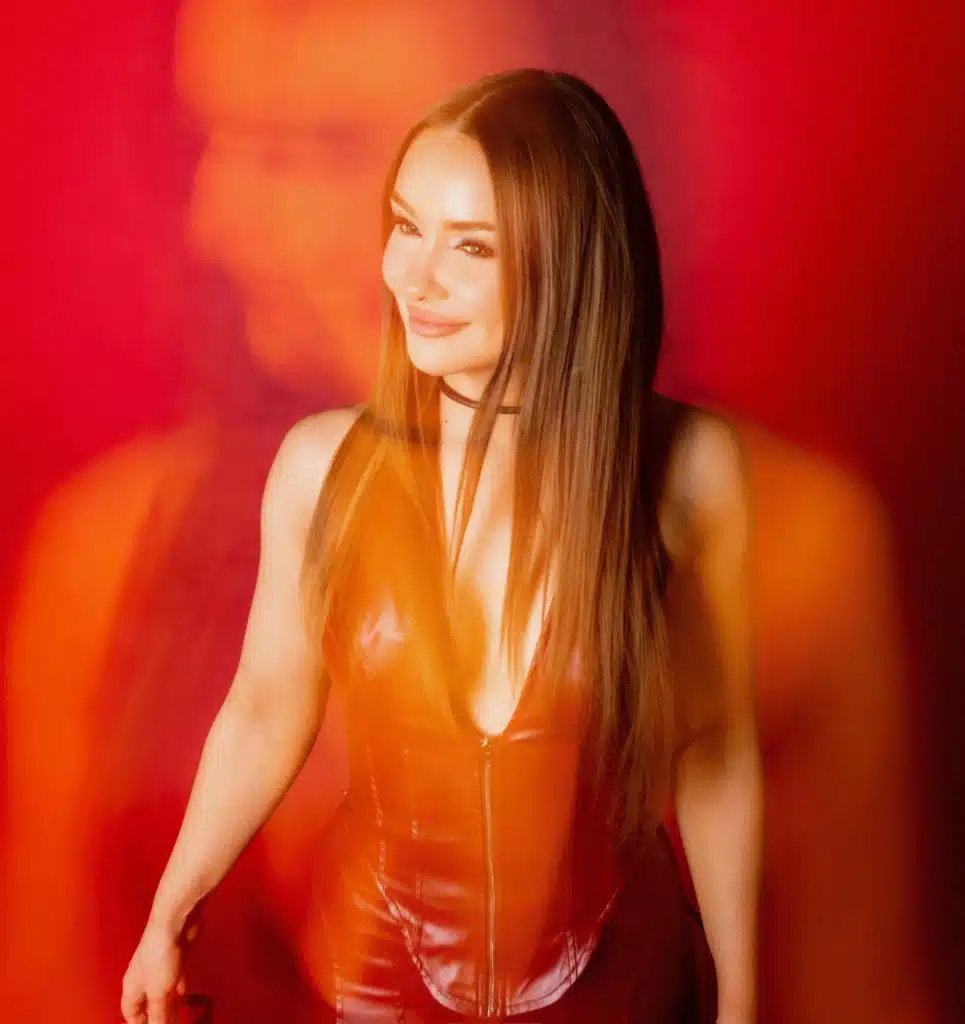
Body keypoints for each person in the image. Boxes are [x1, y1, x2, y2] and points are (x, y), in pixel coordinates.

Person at [119, 69, 762, 1023]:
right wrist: (170, 912)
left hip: (623, 985)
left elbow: (713, 748)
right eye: (406, 225)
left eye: (471, 245)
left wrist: (741, 997)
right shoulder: (323, 468)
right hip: (379, 982)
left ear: (568, 260)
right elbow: (264, 707)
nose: (412, 278)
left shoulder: (694, 469)